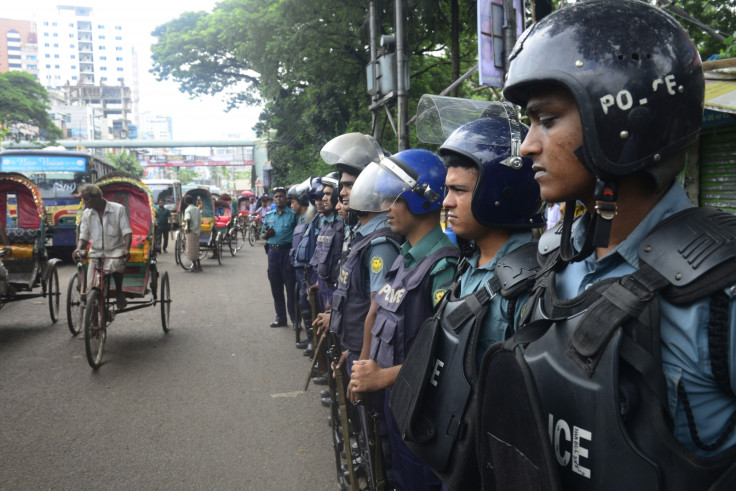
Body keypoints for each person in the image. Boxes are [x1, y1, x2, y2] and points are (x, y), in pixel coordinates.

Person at [477, 2, 736, 490]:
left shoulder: (718, 286)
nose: (527, 145)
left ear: (624, 121)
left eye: (546, 120)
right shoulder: (554, 263)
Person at [385, 111, 545, 490]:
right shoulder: (467, 265)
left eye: (459, 190)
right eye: (448, 190)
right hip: (454, 454)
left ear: (499, 193)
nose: (446, 202)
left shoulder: (533, 281)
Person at [347, 148, 460, 491]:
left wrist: (384, 376)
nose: (386, 209)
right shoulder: (404, 258)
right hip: (399, 407)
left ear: (420, 200)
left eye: (394, 200)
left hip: (424, 416)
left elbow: (447, 356)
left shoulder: (444, 267)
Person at [72, 184, 132, 309]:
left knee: (116, 264)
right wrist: (78, 249)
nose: (84, 202)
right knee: (90, 288)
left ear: (96, 198)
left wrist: (126, 249)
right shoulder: (87, 214)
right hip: (96, 251)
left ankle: (119, 292)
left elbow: (127, 232)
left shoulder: (118, 209)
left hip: (115, 249)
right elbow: (84, 236)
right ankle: (94, 321)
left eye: (86, 199)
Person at [288, 178, 318, 347]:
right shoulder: (301, 219)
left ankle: (314, 342)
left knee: (308, 302)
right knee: (303, 302)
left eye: (293, 202)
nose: (291, 205)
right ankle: (310, 339)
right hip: (299, 268)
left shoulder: (311, 220)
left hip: (307, 269)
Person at [262, 186, 298, 328]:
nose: (278, 199)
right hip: (272, 254)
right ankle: (280, 318)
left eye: (281, 196)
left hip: (287, 253)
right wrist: (266, 235)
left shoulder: (293, 215)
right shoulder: (269, 216)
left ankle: (295, 320)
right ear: (273, 199)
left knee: (291, 288)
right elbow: (262, 234)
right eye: (276, 197)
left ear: (286, 198)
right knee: (276, 287)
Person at [182, 195, 202, 272]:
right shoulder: (197, 209)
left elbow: (188, 219)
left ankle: (195, 266)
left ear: (186, 202)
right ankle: (199, 266)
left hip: (191, 231)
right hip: (197, 230)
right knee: (196, 249)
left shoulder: (188, 210)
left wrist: (189, 228)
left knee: (191, 250)